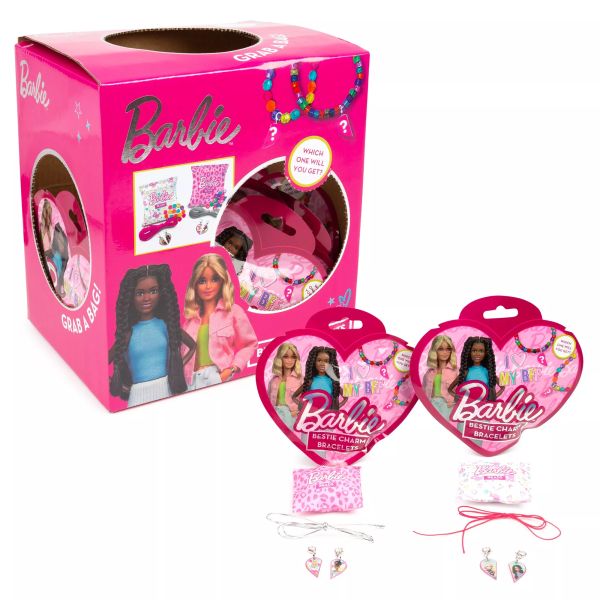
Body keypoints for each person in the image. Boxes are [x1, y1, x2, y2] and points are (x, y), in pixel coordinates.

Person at [109, 264, 194, 407]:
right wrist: (118, 384)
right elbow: (105, 361)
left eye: (153, 291)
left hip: (166, 389)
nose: (147, 298)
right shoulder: (128, 333)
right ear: (131, 297)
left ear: (161, 293)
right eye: (140, 293)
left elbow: (193, 346)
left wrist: (177, 368)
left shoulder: (166, 326)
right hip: (137, 395)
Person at [182, 253, 258, 390]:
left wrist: (232, 368)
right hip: (190, 381)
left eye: (214, 279)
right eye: (202, 281)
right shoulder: (190, 319)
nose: (208, 286)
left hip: (216, 376)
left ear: (223, 281)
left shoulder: (233, 312)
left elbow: (250, 344)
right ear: (195, 284)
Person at [268, 343, 303, 430]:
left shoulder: (300, 380)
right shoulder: (273, 380)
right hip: (275, 414)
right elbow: (268, 400)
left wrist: (296, 412)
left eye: (293, 357)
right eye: (286, 357)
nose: (290, 360)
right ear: (280, 358)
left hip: (291, 416)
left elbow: (307, 401)